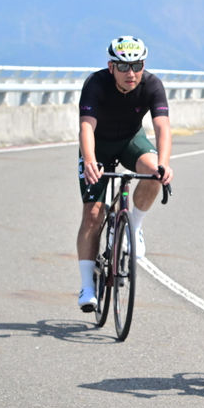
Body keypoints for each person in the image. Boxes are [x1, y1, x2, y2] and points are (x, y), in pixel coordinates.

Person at [75, 35, 174, 312]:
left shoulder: (152, 84)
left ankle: (135, 226)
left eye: (137, 65)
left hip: (130, 141)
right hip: (98, 147)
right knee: (93, 214)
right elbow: (86, 127)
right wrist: (90, 161)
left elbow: (163, 127)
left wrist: (164, 163)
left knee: (154, 172)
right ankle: (87, 286)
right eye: (123, 67)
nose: (131, 73)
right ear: (111, 67)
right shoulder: (96, 83)